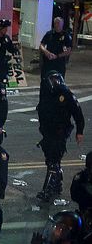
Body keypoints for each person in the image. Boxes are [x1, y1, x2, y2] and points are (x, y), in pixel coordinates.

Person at [36, 71, 85, 202]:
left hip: (60, 132)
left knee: (53, 161)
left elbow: (78, 114)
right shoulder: (46, 94)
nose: (55, 83)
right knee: (52, 160)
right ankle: (57, 184)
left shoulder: (66, 94)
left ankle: (48, 189)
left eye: (57, 80)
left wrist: (79, 132)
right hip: (47, 133)